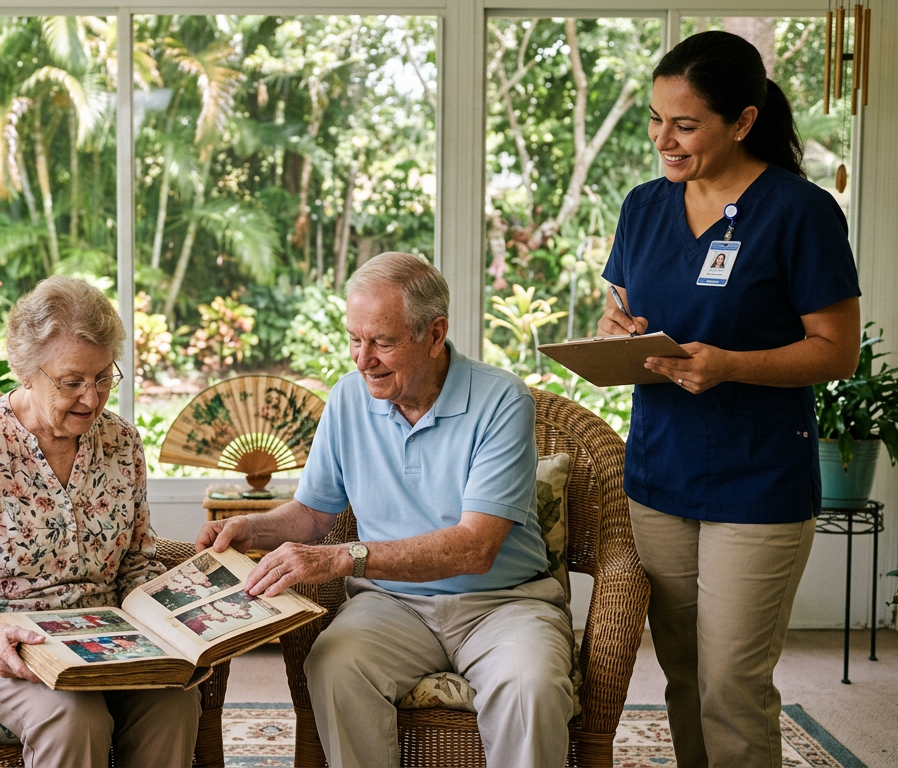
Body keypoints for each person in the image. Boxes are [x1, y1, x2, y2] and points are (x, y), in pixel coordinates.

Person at [198, 252, 575, 768]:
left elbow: (476, 547)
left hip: (504, 603)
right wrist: (252, 527)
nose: (362, 358)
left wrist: (346, 558)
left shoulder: (502, 400)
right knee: (333, 665)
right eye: (355, 339)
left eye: (382, 341)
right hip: (393, 604)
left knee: (532, 686)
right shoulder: (348, 400)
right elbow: (312, 514)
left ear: (435, 333)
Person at [597, 31, 860, 768]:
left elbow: (836, 351)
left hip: (759, 479)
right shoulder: (644, 207)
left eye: (685, 125)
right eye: (655, 119)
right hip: (660, 475)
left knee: (731, 686)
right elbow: (623, 310)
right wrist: (617, 332)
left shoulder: (800, 212)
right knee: (682, 678)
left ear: (743, 121)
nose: (663, 139)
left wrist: (733, 365)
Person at [0, 275, 200, 768]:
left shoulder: (122, 443)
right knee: (73, 717)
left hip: (101, 637)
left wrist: (173, 625)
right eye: (72, 382)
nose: (92, 398)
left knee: (173, 700)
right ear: (25, 370)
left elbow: (137, 562)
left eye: (104, 377)